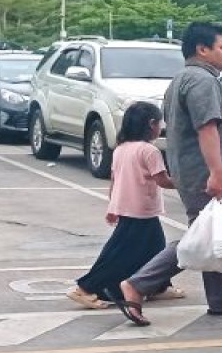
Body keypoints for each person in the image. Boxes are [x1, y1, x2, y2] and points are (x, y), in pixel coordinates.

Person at [117, 22, 222, 326]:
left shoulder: (185, 78)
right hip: (205, 174)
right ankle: (138, 284)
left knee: (216, 234)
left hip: (195, 171)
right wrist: (217, 173)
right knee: (201, 236)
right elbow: (206, 128)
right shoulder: (200, 81)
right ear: (202, 49)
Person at [66, 102, 182, 309]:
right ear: (151, 124)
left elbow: (114, 180)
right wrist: (189, 183)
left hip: (130, 208)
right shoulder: (149, 151)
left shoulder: (121, 149)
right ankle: (84, 288)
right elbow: (163, 180)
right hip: (140, 211)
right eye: (159, 124)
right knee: (118, 254)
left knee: (156, 249)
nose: (160, 128)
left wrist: (113, 206)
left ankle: (159, 286)